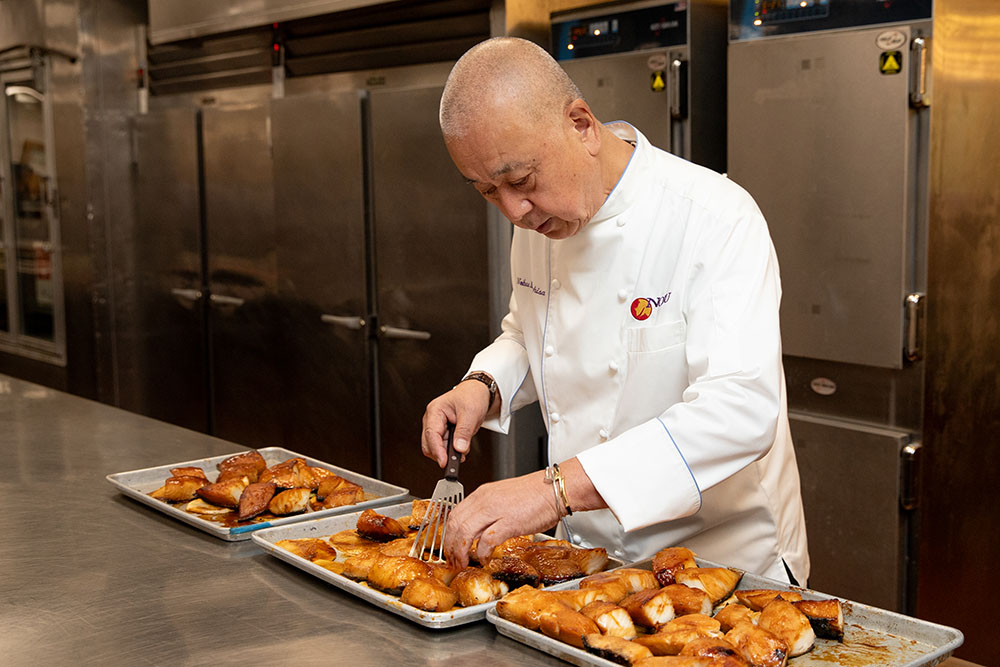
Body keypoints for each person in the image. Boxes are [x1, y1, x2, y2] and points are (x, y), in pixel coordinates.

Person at [420, 37, 809, 585]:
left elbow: (740, 411)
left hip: (724, 565)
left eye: (520, 181)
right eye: (487, 191)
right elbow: (528, 330)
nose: (514, 212)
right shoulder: (541, 222)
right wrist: (485, 384)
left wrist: (552, 490)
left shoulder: (715, 219)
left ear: (581, 124)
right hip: (588, 561)